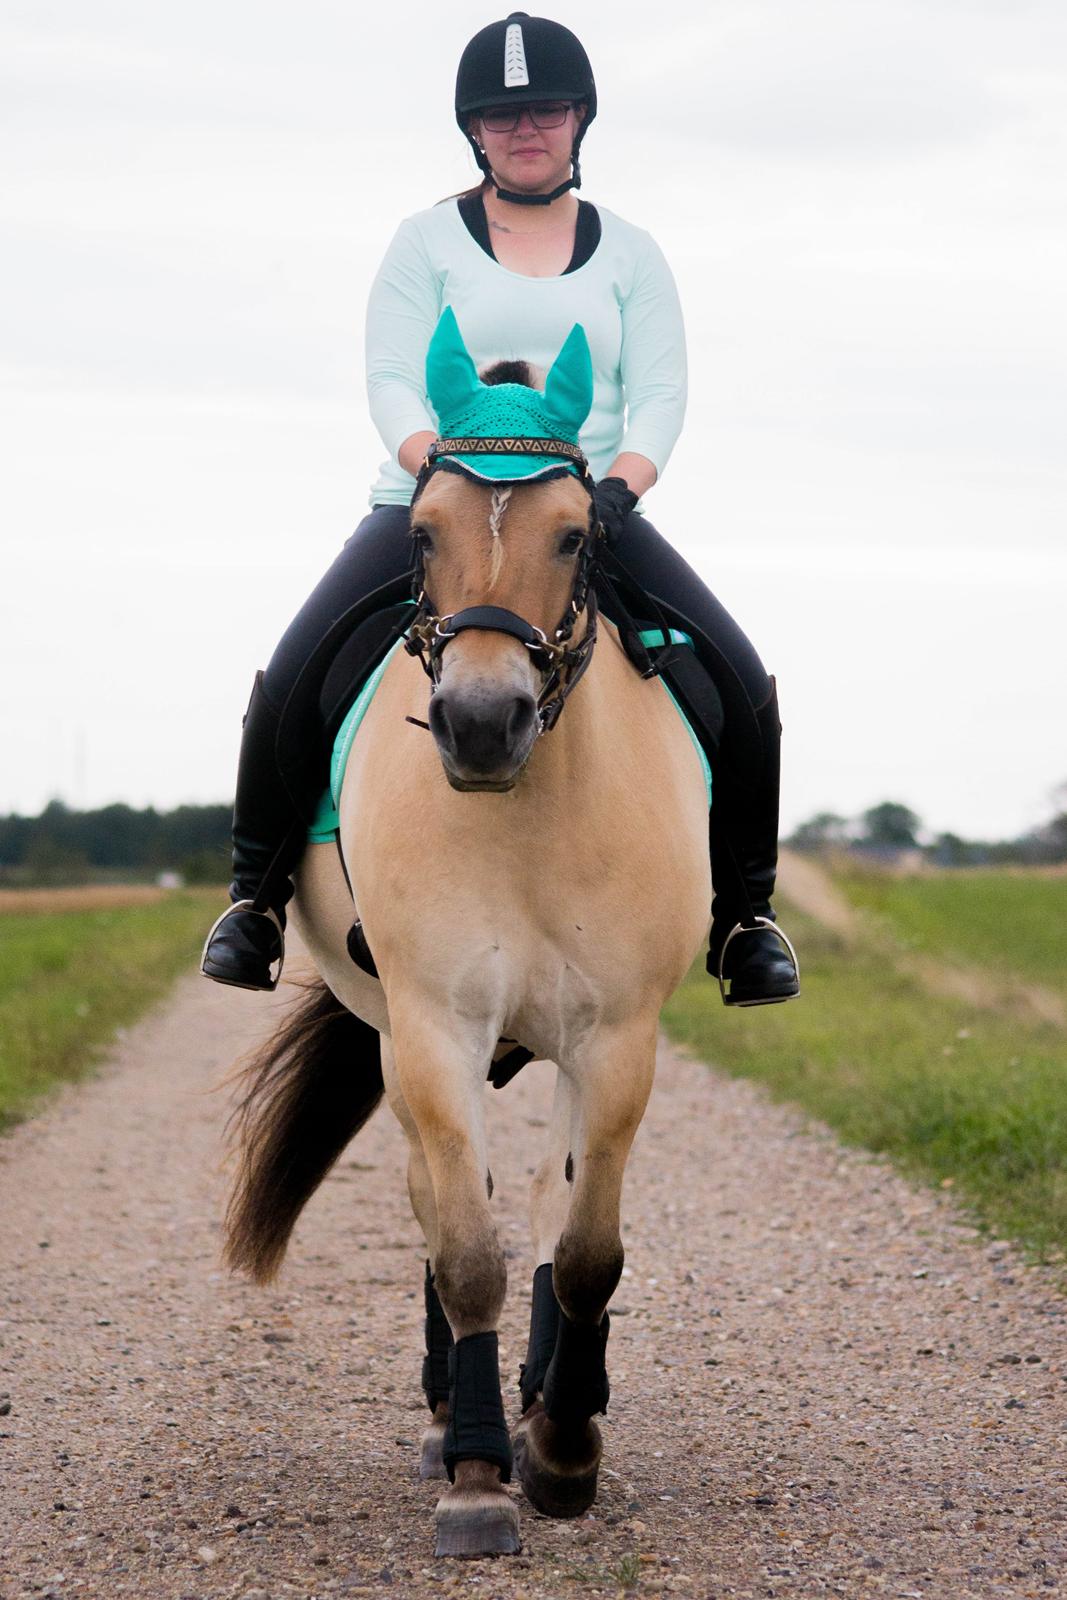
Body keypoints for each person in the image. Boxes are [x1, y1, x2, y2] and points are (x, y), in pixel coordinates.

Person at [200, 10, 799, 1007]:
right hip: (432, 503)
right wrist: (437, 471)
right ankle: (254, 898)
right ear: (474, 131)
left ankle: (744, 915)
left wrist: (620, 487)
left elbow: (658, 392)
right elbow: (392, 375)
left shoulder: (630, 256)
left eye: (547, 111)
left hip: (583, 513)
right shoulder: (423, 242)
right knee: (296, 666)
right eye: (503, 115)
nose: (528, 129)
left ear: (579, 121)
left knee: (737, 677)